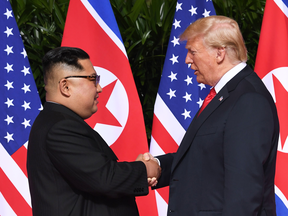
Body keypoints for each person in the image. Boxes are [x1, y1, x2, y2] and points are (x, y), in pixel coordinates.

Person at [144, 15, 279, 216]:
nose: (187, 60)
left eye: (193, 52)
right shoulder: (226, 94)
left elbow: (243, 194)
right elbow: (206, 157)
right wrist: (158, 165)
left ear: (219, 53)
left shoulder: (248, 100)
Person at [27, 47, 160, 216]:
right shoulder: (60, 127)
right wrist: (146, 169)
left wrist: (149, 167)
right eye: (93, 79)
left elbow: (97, 176)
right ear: (65, 86)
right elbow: (105, 179)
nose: (100, 88)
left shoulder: (56, 121)